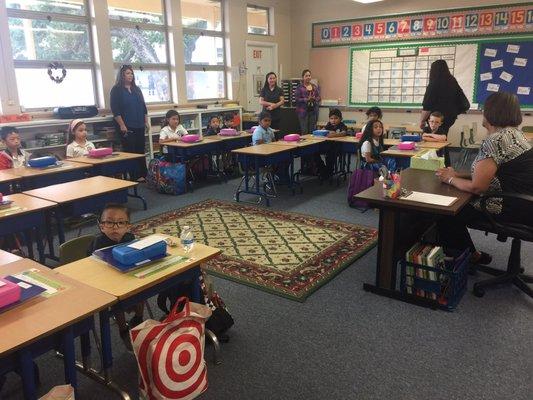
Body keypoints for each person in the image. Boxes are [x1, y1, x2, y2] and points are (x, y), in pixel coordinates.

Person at [435, 92, 532, 264]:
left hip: (508, 206)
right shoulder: (516, 135)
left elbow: (478, 187)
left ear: (491, 112)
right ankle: (468, 253)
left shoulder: (495, 141)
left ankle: (469, 257)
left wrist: (449, 179)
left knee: (447, 211)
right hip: (524, 204)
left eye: (484, 108)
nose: (482, 112)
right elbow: (494, 172)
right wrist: (458, 174)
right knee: (455, 203)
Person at [87, 203, 144, 350]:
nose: (115, 227)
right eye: (109, 222)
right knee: (118, 301)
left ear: (128, 226)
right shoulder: (98, 244)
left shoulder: (130, 238)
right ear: (102, 226)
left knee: (142, 289)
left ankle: (138, 318)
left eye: (120, 222)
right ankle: (122, 328)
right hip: (105, 282)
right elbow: (95, 269)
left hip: (128, 276)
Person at [110, 65, 148, 181]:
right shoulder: (116, 90)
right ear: (122, 75)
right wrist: (122, 124)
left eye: (131, 73)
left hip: (139, 124)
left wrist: (146, 121)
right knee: (131, 151)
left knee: (140, 150)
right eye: (127, 73)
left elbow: (143, 106)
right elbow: (115, 109)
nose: (130, 75)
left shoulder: (137, 89)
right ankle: (134, 176)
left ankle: (144, 174)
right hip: (127, 125)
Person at [419, 60, 469, 134]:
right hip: (450, 117)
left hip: (435, 118)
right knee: (442, 136)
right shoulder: (452, 81)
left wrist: (422, 121)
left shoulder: (433, 83)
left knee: (432, 139)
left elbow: (427, 106)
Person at [315, 108, 348, 179]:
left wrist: (335, 134)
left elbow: (344, 132)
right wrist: (323, 131)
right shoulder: (329, 124)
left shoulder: (342, 125)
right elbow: (323, 130)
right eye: (331, 118)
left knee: (330, 155)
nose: (333, 120)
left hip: (337, 147)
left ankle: (328, 172)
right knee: (314, 152)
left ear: (341, 119)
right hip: (327, 146)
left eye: (336, 118)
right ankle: (323, 169)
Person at [295, 69, 321, 134]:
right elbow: (297, 99)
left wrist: (314, 99)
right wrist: (306, 99)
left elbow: (319, 97)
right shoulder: (299, 87)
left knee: (312, 131)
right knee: (304, 131)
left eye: (309, 75)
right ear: (303, 77)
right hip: (303, 112)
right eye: (306, 76)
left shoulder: (314, 86)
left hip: (313, 111)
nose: (308, 77)